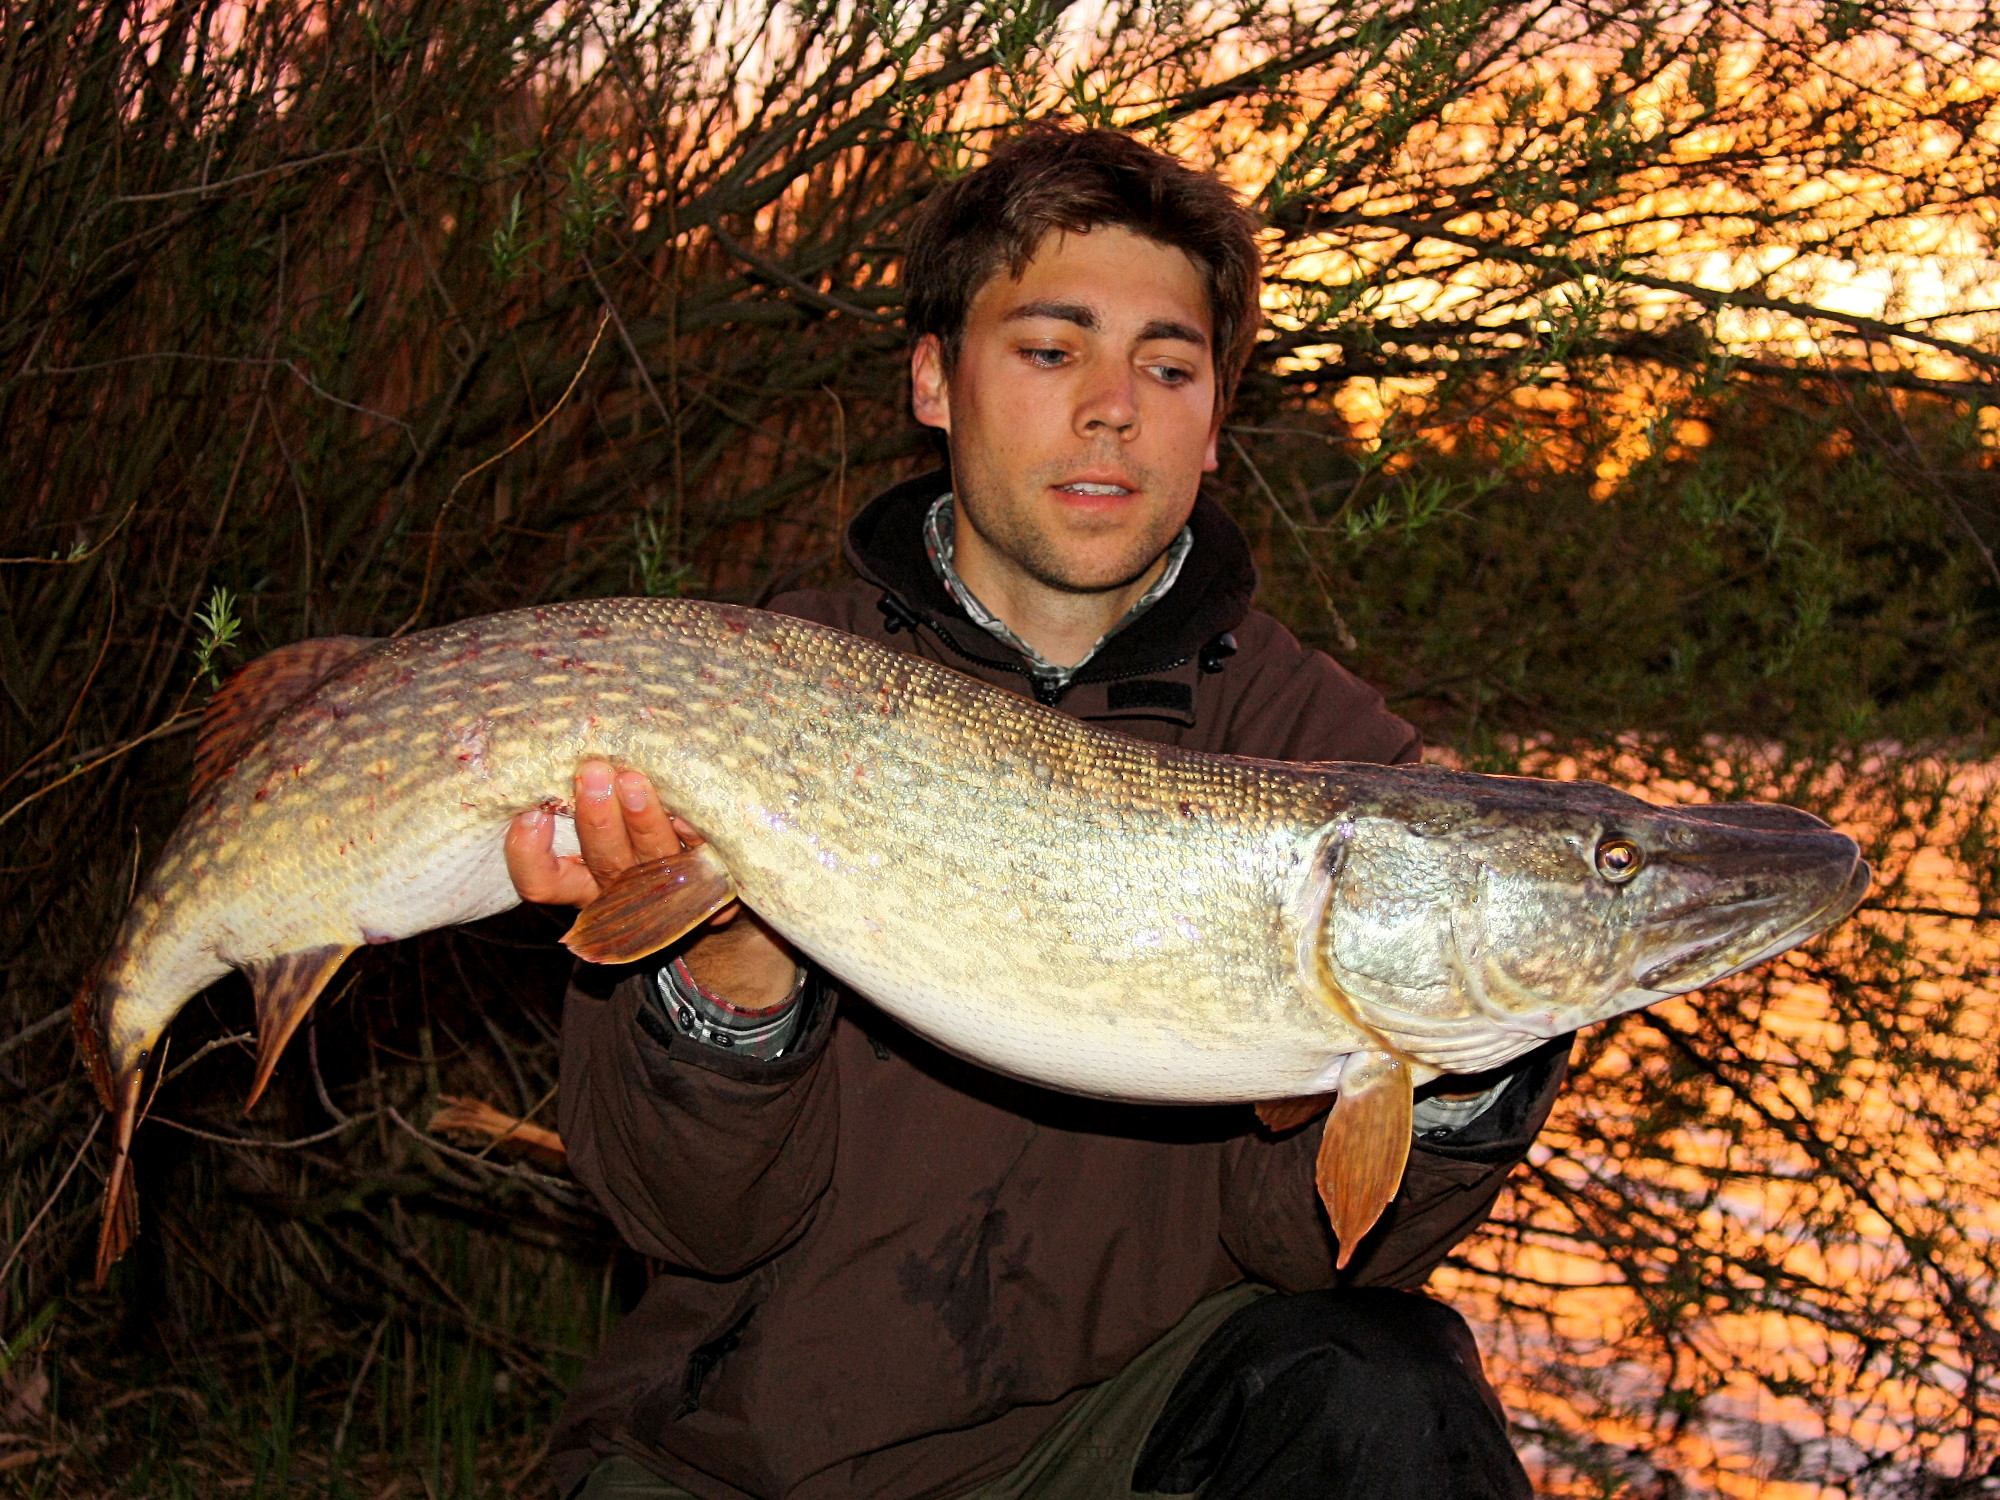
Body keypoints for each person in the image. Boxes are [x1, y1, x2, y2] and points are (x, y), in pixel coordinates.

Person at [506, 125, 1571, 1500]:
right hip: (740, 1455)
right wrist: (730, 993)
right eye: (1052, 350)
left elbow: (1311, 1248)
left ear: (1215, 419)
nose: (1115, 407)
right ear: (935, 381)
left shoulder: (1327, 755)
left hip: (1103, 1446)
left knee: (1383, 1388)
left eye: (1169, 366)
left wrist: (1466, 1049)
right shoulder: (741, 694)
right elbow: (684, 1221)